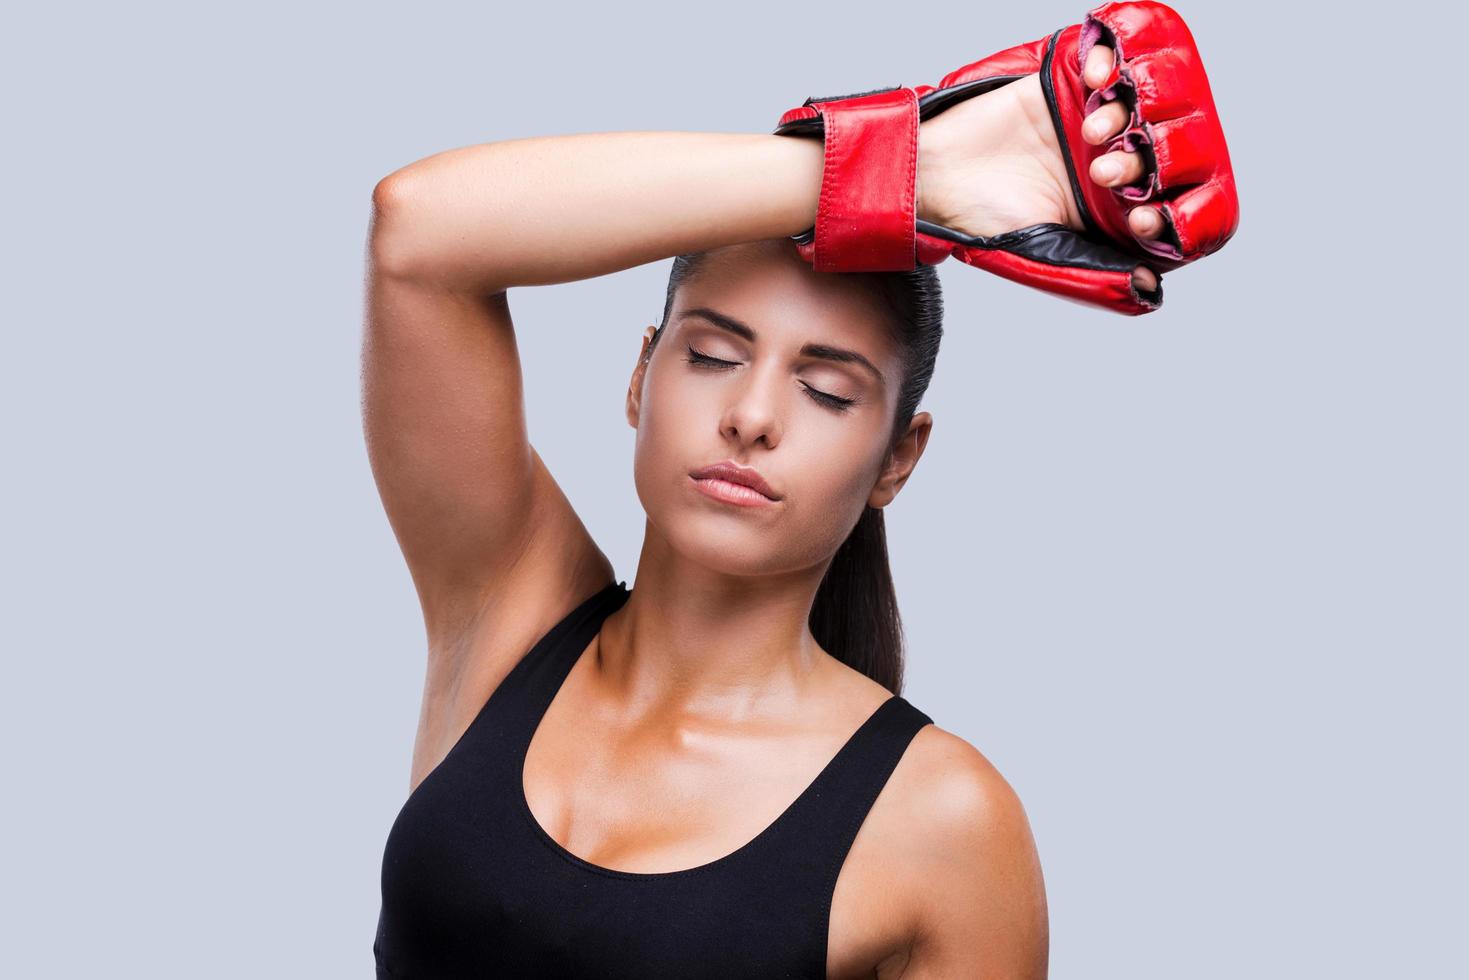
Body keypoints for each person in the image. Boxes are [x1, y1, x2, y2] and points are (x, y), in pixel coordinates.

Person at [364, 39, 1163, 979]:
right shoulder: (508, 610)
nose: (749, 417)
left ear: (895, 461)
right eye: (710, 356)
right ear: (639, 376)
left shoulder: (940, 818)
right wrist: (900, 171)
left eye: (826, 391)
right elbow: (416, 231)